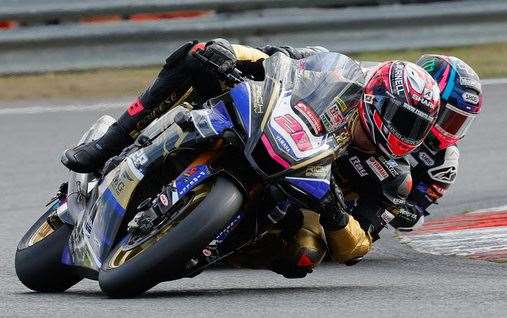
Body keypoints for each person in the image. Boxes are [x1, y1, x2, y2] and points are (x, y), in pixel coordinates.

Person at [61, 39, 440, 276]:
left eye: (415, 129)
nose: (404, 134)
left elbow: (358, 248)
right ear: (376, 100)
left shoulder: (391, 176)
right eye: (401, 120)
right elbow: (276, 58)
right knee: (198, 56)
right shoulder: (338, 74)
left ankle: (211, 247)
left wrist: (337, 214)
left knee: (303, 256)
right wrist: (229, 53)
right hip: (269, 123)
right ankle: (108, 145)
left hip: (304, 194)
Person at [388, 55, 483, 230]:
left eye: (459, 122)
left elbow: (415, 215)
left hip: (367, 202)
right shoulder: (386, 102)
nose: (450, 129)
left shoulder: (446, 161)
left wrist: (391, 204)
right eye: (449, 118)